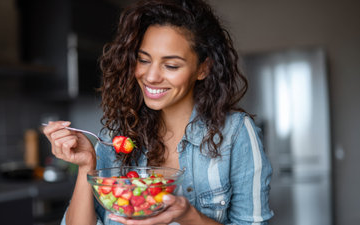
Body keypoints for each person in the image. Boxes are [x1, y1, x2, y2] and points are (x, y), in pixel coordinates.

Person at [43, 0, 274, 224]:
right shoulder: (118, 140)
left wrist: (188, 216)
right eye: (143, 60)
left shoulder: (235, 133)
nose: (151, 76)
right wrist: (87, 165)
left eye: (171, 65)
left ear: (203, 68)